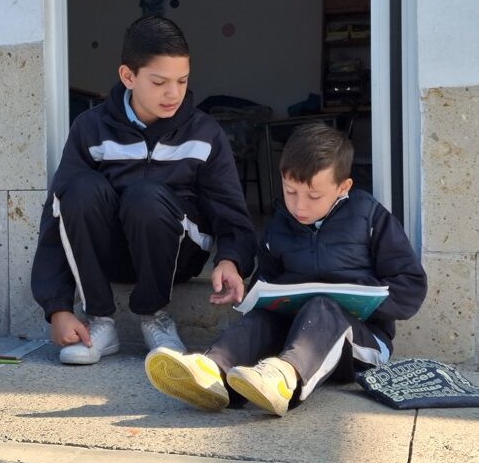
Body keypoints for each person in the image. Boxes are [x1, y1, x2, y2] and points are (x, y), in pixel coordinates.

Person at [145, 123, 427, 415]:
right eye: (290, 191)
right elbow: (267, 281)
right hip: (295, 338)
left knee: (322, 308)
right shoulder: (279, 226)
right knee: (261, 319)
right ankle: (211, 371)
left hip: (361, 343)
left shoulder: (369, 219)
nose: (299, 205)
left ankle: (284, 379)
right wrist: (250, 293)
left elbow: (411, 286)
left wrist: (365, 300)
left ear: (344, 187)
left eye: (313, 196)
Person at [31, 14, 257, 365]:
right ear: (128, 76)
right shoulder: (91, 128)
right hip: (110, 255)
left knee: (145, 196)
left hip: (176, 252)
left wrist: (231, 259)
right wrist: (57, 307)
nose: (173, 93)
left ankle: (156, 318)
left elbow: (232, 213)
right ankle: (101, 322)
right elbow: (57, 215)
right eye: (159, 82)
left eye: (182, 81)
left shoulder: (205, 133)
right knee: (77, 189)